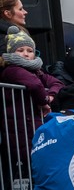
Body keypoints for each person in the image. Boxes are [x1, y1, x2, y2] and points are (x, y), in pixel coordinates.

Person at [0, 26, 64, 172]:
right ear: (11, 52)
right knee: (30, 163)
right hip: (20, 125)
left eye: (29, 51)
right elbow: (34, 84)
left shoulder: (36, 71)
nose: (25, 54)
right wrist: (44, 101)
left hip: (32, 123)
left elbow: (57, 82)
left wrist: (50, 96)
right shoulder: (12, 70)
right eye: (20, 50)